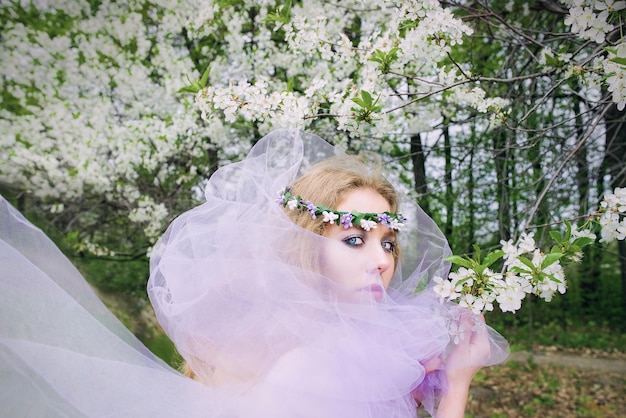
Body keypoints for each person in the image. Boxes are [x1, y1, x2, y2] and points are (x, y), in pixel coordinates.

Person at [0, 129, 508, 417]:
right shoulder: (312, 369)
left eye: (388, 243)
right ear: (305, 248)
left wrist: (452, 374)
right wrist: (457, 388)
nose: (381, 261)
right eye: (354, 239)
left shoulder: (344, 347)